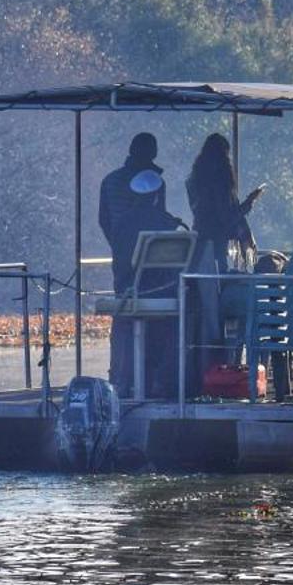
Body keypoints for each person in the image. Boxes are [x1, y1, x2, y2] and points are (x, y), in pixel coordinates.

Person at [96, 132, 183, 397]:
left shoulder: (110, 181)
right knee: (160, 322)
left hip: (124, 264)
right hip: (156, 276)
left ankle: (121, 377)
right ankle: (160, 379)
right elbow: (160, 225)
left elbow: (104, 221)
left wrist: (124, 248)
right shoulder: (156, 182)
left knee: (123, 320)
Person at [185, 132, 261, 391]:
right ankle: (223, 365)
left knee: (205, 309)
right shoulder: (219, 183)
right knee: (220, 308)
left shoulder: (194, 180)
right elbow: (225, 219)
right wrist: (247, 205)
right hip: (216, 247)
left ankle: (205, 365)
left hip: (198, 246)